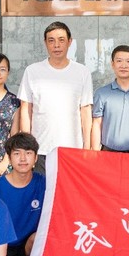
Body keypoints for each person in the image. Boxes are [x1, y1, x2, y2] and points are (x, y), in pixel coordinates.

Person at [18, 21, 93, 172]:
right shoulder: (32, 71)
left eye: (61, 40)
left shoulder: (82, 72)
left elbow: (85, 111)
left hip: (73, 149)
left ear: (69, 42)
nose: (56, 45)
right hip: (40, 149)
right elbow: (26, 110)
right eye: (51, 40)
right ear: (45, 43)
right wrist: (27, 148)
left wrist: (87, 147)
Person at [0, 133, 45, 256]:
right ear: (9, 158)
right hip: (1, 247)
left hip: (28, 246)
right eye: (17, 153)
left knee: (40, 237)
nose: (23, 158)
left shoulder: (44, 184)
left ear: (36, 158)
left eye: (28, 153)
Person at [91, 45, 129, 154]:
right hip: (108, 154)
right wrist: (95, 153)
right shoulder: (101, 93)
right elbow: (97, 124)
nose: (124, 65)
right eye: (119, 61)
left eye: (128, 61)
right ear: (112, 64)